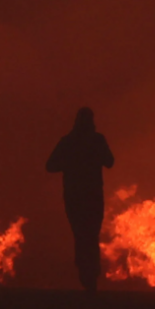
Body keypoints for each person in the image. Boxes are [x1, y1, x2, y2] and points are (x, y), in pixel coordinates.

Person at [46, 107, 114, 292]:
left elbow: (51, 165)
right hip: (91, 196)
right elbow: (110, 162)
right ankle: (90, 277)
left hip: (75, 196)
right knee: (90, 235)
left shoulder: (68, 142)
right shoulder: (96, 140)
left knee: (82, 236)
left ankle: (87, 277)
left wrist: (69, 163)